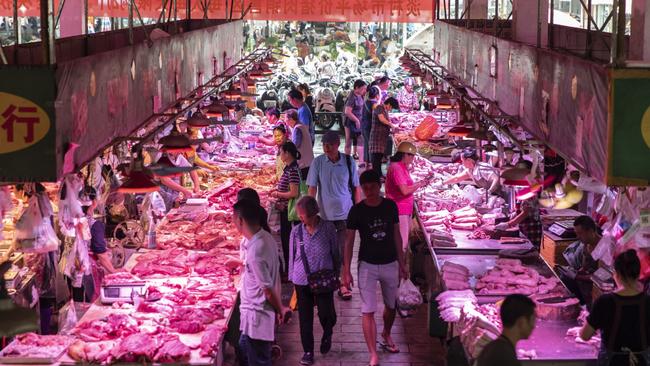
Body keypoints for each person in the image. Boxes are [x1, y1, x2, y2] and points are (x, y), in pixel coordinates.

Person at [342, 170, 408, 366]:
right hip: (367, 266)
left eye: (372, 187)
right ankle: (373, 354)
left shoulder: (390, 206)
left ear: (379, 186)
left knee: (391, 305)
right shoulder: (357, 211)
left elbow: (396, 235)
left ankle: (386, 333)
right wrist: (346, 270)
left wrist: (402, 262)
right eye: (365, 188)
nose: (368, 191)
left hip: (390, 263)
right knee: (367, 309)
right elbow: (349, 241)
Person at [307, 130, 361, 300]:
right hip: (324, 216)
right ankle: (330, 281)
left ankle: (344, 284)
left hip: (345, 215)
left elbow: (355, 187)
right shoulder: (318, 162)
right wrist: (309, 212)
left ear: (338, 145)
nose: (326, 148)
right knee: (327, 252)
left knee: (345, 251)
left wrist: (359, 211)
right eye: (323, 144)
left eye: (329, 145)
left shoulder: (348, 161)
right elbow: (312, 188)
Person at [233, 200, 288, 366]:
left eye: (234, 219)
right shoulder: (265, 237)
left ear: (241, 221)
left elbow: (267, 289)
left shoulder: (256, 250)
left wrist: (281, 309)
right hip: (254, 318)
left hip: (257, 318)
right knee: (243, 350)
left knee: (258, 360)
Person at [288, 196, 339, 365]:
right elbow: (292, 255)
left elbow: (335, 253)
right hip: (302, 279)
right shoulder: (296, 231)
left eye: (303, 215)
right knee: (305, 318)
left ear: (313, 213)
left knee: (326, 313)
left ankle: (327, 332)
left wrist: (337, 274)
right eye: (299, 215)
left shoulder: (328, 228)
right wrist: (291, 277)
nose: (300, 218)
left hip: (324, 279)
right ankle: (308, 351)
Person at [580, 249, 650, 366]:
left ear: (616, 274)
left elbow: (585, 335)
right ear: (638, 274)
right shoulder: (648, 301)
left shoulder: (604, 302)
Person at [385, 141, 430, 301]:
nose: (413, 159)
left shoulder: (402, 167)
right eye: (411, 155)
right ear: (404, 154)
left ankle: (400, 275)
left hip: (404, 211)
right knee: (401, 245)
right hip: (399, 211)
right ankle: (398, 279)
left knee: (403, 244)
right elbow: (404, 190)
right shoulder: (397, 168)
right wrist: (420, 184)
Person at [476, 294, 537, 366]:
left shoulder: (493, 347)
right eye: (532, 320)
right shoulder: (505, 357)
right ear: (521, 322)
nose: (533, 326)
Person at [270, 141, 301, 276]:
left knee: (288, 241)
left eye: (281, 152)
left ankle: (291, 272)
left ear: (287, 153)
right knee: (286, 241)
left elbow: (294, 193)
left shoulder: (293, 170)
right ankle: (290, 271)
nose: (280, 155)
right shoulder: (289, 168)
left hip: (289, 212)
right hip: (285, 210)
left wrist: (278, 194)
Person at [558, 215, 600, 305]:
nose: (578, 237)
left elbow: (601, 278)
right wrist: (574, 272)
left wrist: (577, 277)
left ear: (591, 231)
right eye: (576, 233)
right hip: (584, 283)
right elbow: (584, 268)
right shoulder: (586, 244)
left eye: (580, 233)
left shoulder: (603, 247)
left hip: (595, 288)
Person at [369, 97, 399, 178]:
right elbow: (381, 119)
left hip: (381, 138)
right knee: (376, 158)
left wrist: (391, 130)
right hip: (376, 137)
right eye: (391, 107)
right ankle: (376, 177)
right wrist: (391, 125)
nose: (391, 109)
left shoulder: (384, 110)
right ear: (388, 104)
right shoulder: (379, 107)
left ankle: (379, 175)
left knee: (378, 158)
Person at [285, 109, 314, 179]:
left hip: (304, 163)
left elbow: (295, 146)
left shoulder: (297, 128)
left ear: (291, 119)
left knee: (304, 185)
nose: (285, 121)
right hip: (308, 161)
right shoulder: (300, 125)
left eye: (285, 118)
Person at [343, 80, 367, 164]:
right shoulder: (352, 97)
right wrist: (356, 120)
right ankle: (347, 160)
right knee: (348, 140)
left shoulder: (360, 95)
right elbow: (347, 112)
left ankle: (360, 159)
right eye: (363, 89)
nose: (364, 90)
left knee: (360, 138)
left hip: (358, 121)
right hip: (350, 121)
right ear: (356, 88)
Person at [361, 86, 381, 167]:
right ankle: (373, 165)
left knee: (366, 144)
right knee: (372, 146)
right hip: (370, 128)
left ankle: (366, 163)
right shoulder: (375, 105)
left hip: (364, 127)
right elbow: (378, 118)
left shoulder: (365, 102)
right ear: (377, 95)